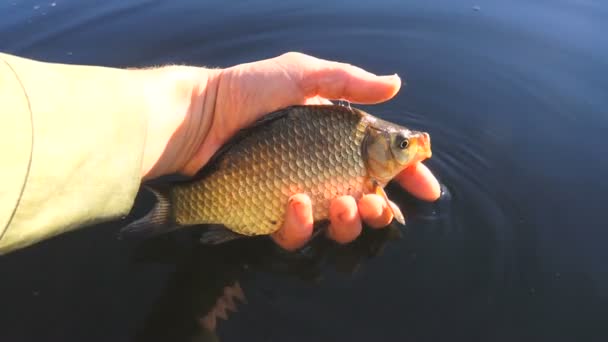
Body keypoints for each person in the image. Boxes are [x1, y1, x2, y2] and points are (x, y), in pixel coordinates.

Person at [0, 51, 440, 255]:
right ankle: (179, 210)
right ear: (379, 147)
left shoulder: (362, 150)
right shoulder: (357, 143)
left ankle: (178, 210)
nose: (411, 147)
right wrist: (206, 109)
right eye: (401, 144)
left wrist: (206, 107)